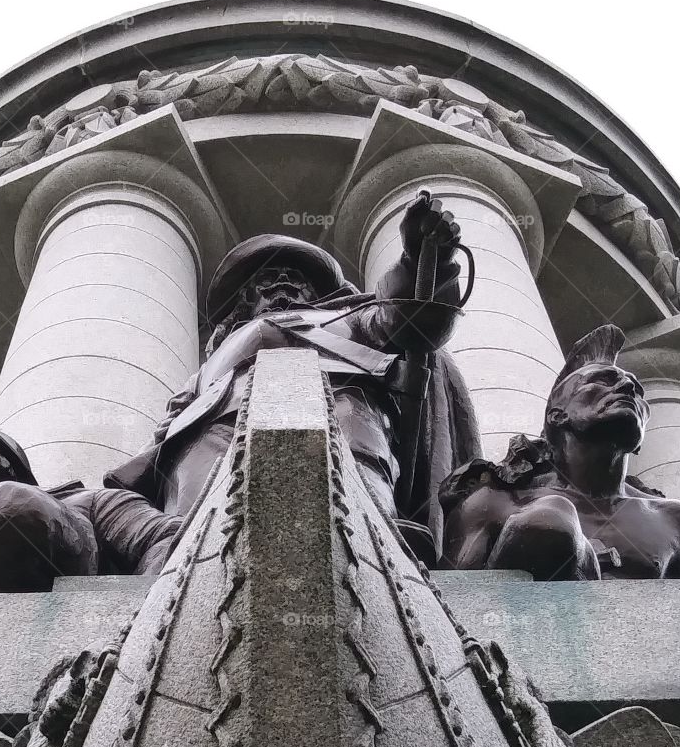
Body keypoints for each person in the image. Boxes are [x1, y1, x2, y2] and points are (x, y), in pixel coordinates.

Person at [105, 190, 482, 561]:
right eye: (267, 279)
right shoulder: (214, 360)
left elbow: (405, 318)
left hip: (340, 405)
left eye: (298, 278)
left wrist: (422, 259)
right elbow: (173, 418)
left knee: (359, 511)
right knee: (199, 535)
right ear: (245, 299)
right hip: (214, 428)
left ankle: (378, 558)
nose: (283, 281)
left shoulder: (350, 318)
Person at [439, 324, 680, 597]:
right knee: (550, 520)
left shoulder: (674, 518)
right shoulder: (494, 498)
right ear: (557, 415)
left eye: (638, 390)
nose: (627, 385)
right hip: (516, 650)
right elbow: (452, 595)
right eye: (602, 382)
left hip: (646, 651)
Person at [0, 402, 181, 607]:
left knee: (6, 506)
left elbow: (165, 538)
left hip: (95, 625)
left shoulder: (91, 502)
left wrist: (140, 614)